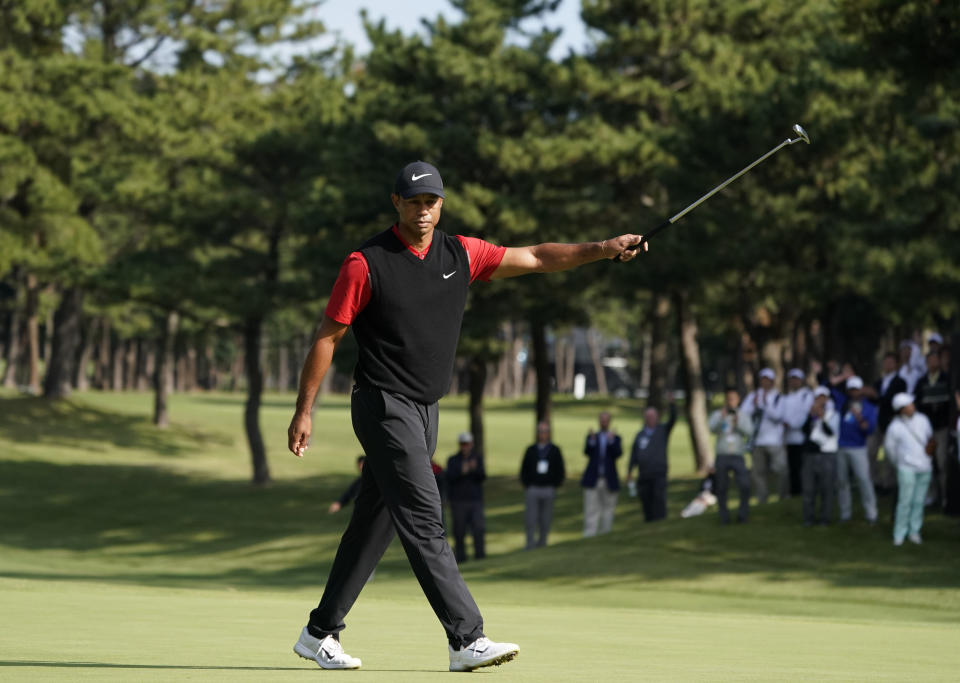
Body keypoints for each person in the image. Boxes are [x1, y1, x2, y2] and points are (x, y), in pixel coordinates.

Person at [286, 160, 647, 671]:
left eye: (431, 201)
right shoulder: (365, 263)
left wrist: (602, 249)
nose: (423, 211)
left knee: (375, 522)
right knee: (424, 516)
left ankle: (319, 632)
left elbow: (539, 258)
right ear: (396, 204)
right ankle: (465, 638)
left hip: (424, 407)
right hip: (382, 404)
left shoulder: (463, 253)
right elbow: (329, 336)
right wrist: (305, 411)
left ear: (442, 202)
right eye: (413, 202)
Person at [884, 393, 934, 545]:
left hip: (925, 466)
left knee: (918, 501)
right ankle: (899, 533)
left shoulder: (923, 419)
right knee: (905, 501)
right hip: (906, 468)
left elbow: (930, 439)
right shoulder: (895, 426)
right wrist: (899, 463)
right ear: (901, 409)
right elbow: (890, 449)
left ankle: (914, 531)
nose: (912, 406)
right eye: (908, 405)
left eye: (912, 403)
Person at [833, 376, 878, 524]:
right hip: (841, 447)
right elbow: (828, 386)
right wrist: (842, 376)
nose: (853, 392)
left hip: (858, 448)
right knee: (842, 482)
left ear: (861, 390)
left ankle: (871, 513)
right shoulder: (843, 403)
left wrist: (859, 418)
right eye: (851, 389)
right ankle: (845, 514)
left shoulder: (869, 408)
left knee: (864, 480)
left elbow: (869, 429)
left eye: (856, 389)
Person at [741, 368, 787, 503]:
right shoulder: (753, 396)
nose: (765, 382)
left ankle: (782, 496)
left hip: (774, 440)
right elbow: (744, 414)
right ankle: (762, 498)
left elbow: (778, 416)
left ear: (772, 381)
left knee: (781, 469)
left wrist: (766, 405)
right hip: (757, 441)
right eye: (763, 379)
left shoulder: (778, 397)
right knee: (758, 472)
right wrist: (754, 406)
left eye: (768, 380)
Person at [862, 352, 907, 490]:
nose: (887, 364)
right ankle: (874, 481)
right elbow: (873, 400)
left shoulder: (900, 382)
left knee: (889, 453)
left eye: (890, 362)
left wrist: (877, 396)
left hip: (891, 421)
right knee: (871, 451)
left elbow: (893, 402)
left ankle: (889, 483)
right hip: (876, 421)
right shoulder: (879, 382)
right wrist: (871, 395)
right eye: (885, 362)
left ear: (896, 364)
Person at [626, 401, 677, 522]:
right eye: (648, 417)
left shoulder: (662, 430)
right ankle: (649, 521)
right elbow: (634, 454)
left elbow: (673, 420)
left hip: (659, 473)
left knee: (659, 498)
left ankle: (660, 521)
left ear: (657, 417)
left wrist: (672, 405)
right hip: (644, 474)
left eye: (652, 416)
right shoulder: (640, 434)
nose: (650, 419)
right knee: (645, 499)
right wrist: (629, 470)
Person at [708, 388, 753, 524]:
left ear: (738, 400)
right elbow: (711, 428)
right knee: (721, 487)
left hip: (737, 455)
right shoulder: (719, 414)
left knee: (744, 485)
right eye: (729, 399)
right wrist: (721, 419)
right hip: (722, 455)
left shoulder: (743, 415)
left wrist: (737, 422)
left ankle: (742, 515)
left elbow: (750, 432)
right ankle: (724, 517)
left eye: (734, 399)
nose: (731, 401)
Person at [914, 350, 952, 509]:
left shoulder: (947, 379)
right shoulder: (922, 381)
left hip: (941, 429)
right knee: (928, 463)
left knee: (942, 463)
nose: (933, 363)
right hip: (926, 430)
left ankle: (945, 497)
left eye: (936, 359)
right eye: (930, 360)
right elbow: (917, 402)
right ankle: (931, 495)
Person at [519, 421, 566, 549]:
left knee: (546, 519)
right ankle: (530, 544)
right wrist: (526, 484)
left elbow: (560, 470)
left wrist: (555, 484)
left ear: (549, 433)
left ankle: (542, 543)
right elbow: (524, 469)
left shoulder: (555, 450)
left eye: (545, 431)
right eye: (540, 431)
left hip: (548, 488)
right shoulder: (531, 450)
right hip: (533, 488)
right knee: (531, 518)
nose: (542, 434)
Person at [801, 387, 839, 526]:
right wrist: (811, 416)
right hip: (810, 455)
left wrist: (822, 417)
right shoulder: (811, 415)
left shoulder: (833, 414)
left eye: (823, 397)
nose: (821, 400)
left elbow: (830, 432)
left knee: (826, 488)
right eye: (818, 397)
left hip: (827, 455)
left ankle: (825, 518)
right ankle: (808, 518)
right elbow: (804, 431)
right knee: (809, 489)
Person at [581, 411, 624, 536]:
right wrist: (592, 441)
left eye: (606, 420)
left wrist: (611, 441)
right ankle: (589, 535)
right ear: (599, 421)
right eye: (602, 420)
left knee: (608, 509)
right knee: (591, 509)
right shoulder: (593, 437)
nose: (604, 422)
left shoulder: (615, 438)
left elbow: (618, 454)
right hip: (593, 478)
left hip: (609, 479)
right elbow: (587, 452)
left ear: (609, 421)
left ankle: (605, 534)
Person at [447, 432, 487, 563]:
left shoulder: (477, 458)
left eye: (467, 444)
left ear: (471, 444)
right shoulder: (453, 460)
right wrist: (461, 472)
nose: (465, 447)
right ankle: (460, 557)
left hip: (475, 501)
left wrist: (474, 469)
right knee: (459, 531)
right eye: (463, 444)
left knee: (478, 529)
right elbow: (450, 478)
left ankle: (480, 556)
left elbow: (482, 477)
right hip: (459, 501)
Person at [782, 368, 814, 497]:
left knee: (803, 466)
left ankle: (804, 490)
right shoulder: (787, 397)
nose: (794, 382)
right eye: (792, 379)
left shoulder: (807, 395)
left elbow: (804, 415)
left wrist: (791, 424)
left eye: (796, 379)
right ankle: (795, 491)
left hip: (802, 437)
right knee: (792, 466)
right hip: (789, 437)